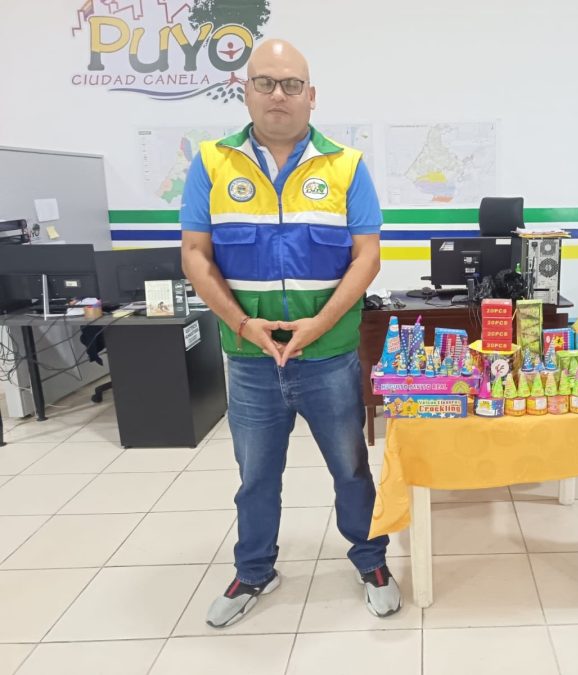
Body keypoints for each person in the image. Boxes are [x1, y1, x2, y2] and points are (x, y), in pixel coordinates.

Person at [180, 39, 400, 627]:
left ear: (311, 95)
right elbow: (196, 254)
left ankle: (371, 560)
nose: (279, 94)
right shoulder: (212, 163)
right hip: (250, 359)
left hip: (329, 356)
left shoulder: (345, 166)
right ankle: (254, 570)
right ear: (245, 91)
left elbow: (367, 256)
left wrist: (320, 324)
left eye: (291, 84)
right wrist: (242, 324)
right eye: (266, 82)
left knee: (351, 469)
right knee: (255, 477)